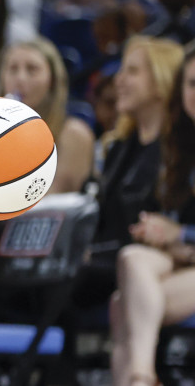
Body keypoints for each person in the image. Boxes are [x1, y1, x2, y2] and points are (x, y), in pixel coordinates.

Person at [77, 37, 184, 310]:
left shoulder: (181, 151)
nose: (119, 80)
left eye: (132, 72)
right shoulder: (119, 145)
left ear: (162, 81)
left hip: (146, 265)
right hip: (105, 261)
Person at [109, 48, 195, 386]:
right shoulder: (181, 144)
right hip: (184, 260)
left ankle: (140, 378)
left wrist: (179, 234)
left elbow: (181, 231)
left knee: (125, 304)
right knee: (132, 260)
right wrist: (166, 234)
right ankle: (141, 376)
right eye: (190, 83)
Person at [0, 37, 96, 194]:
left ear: (52, 80)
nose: (20, 79)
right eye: (13, 69)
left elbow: (57, 201)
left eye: (32, 69)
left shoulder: (74, 136)